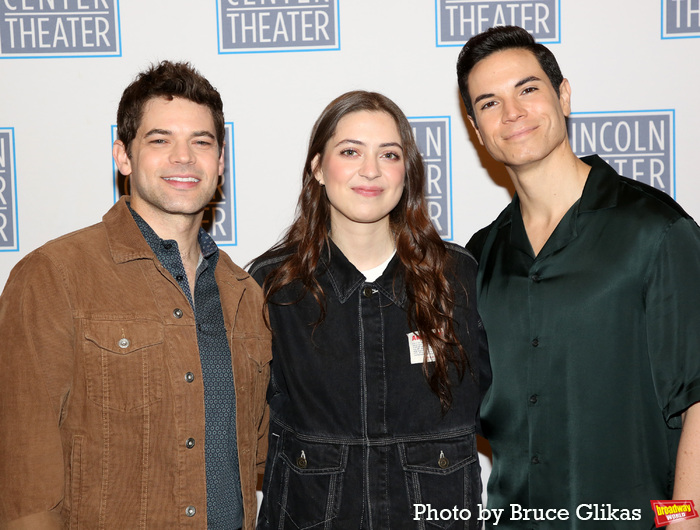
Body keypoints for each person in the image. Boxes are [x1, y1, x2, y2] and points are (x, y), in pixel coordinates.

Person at [0, 61, 270, 529]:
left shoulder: (246, 294)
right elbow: (23, 475)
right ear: (123, 156)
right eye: (160, 140)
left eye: (201, 142)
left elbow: (259, 458)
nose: (183, 157)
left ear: (221, 162)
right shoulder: (54, 276)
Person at [456, 25, 700, 528]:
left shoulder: (655, 230)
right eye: (489, 103)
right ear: (476, 128)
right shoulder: (480, 256)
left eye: (528, 89)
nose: (513, 113)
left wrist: (683, 521)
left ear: (563, 95)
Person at [250, 90, 490, 528]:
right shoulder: (272, 287)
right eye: (350, 151)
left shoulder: (460, 278)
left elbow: (505, 410)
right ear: (318, 168)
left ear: (408, 172)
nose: (371, 171)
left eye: (389, 154)